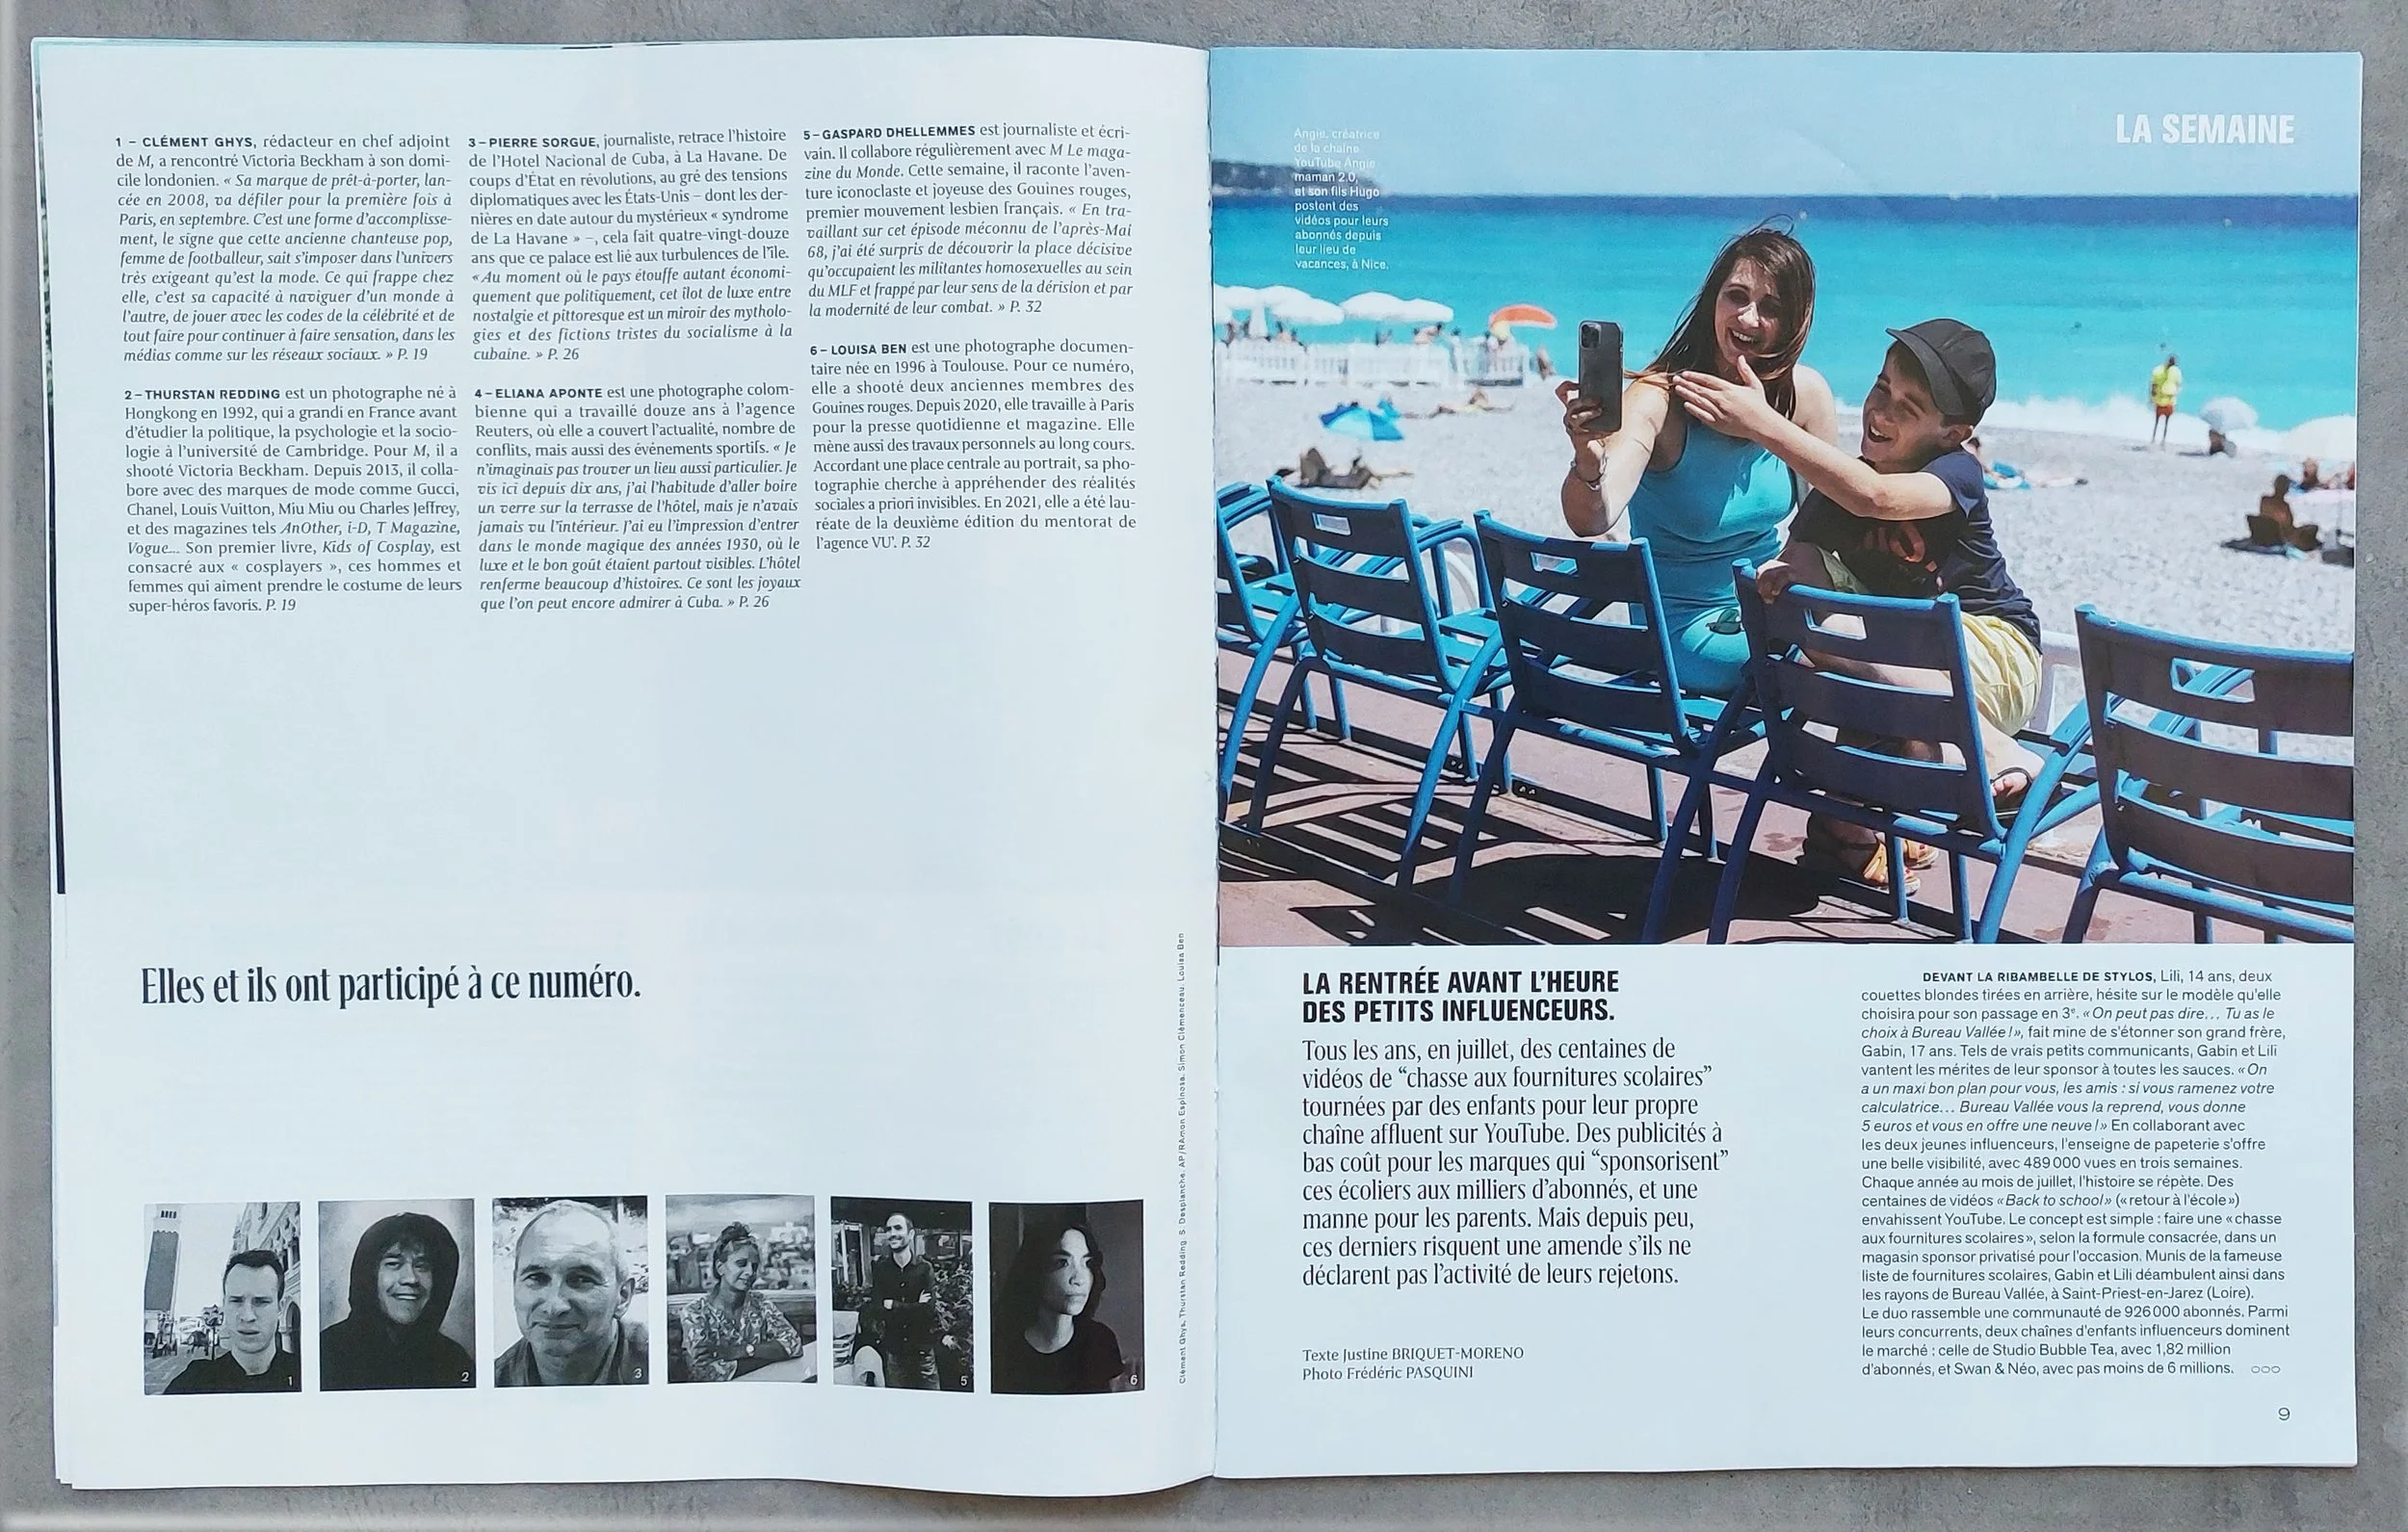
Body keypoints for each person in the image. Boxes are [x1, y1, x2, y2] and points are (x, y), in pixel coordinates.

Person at [1674, 319, 2042, 888]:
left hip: (1994, 653)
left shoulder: (1956, 474)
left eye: (1908, 407)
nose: (1881, 411)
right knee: (1811, 604)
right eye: (1881, 388)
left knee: (1849, 631)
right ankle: (1847, 829)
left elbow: (1876, 497)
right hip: (1901, 666)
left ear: (1953, 433)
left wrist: (1762, 423)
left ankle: (1986, 749)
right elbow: (1800, 565)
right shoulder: (1839, 488)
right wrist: (1783, 576)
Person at [1558, 225, 1839, 694]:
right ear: (1713, 301)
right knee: (1841, 671)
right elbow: (1593, 518)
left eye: (1771, 308)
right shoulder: (1658, 400)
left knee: (1867, 654)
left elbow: (1827, 524)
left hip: (1772, 607)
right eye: (1737, 297)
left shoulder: (1804, 395)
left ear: (1794, 321)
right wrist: (1587, 458)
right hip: (1686, 627)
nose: (1748, 318)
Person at [495, 1200, 648, 1387]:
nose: (554, 1307)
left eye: (581, 1280)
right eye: (536, 1278)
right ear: (514, 1285)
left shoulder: (664, 1365)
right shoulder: (495, 1381)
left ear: (623, 1296)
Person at [321, 1210, 473, 1390]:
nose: (411, 1278)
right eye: (393, 1264)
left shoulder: (453, 1359)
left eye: (421, 1266)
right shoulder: (326, 1353)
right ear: (369, 1276)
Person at [992, 1216, 1128, 1395]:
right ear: (1035, 1270)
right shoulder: (1001, 1346)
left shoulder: (1101, 1340)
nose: (1079, 1279)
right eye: (1062, 1262)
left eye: (1087, 1263)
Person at [679, 1221, 805, 1382]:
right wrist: (769, 1355)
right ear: (720, 1267)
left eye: (754, 1266)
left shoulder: (761, 1303)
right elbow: (704, 1372)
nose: (750, 1272)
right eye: (741, 1264)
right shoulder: (695, 1313)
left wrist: (741, 1351)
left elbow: (794, 1345)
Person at [163, 1250, 299, 1393]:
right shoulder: (192, 1383)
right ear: (225, 1305)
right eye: (236, 1301)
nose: (247, 1316)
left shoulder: (306, 1375)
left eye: (261, 1302)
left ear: (280, 1307)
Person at [862, 1210, 943, 1389]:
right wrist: (915, 1305)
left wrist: (893, 1305)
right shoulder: (881, 1270)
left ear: (911, 1234)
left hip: (922, 1354)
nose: (892, 1233)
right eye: (889, 1229)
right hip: (895, 1355)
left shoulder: (924, 1269)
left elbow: (928, 1311)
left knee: (932, 1402)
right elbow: (876, 1309)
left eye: (898, 1228)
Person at [2247, 474, 2320, 553]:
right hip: (2280, 536)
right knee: (2311, 529)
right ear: (2286, 489)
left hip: (2263, 534)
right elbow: (2288, 528)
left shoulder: (2265, 500)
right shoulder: (2284, 506)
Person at [2149, 352, 2182, 447]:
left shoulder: (2159, 370)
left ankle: (2154, 439)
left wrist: (2152, 397)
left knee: (2157, 421)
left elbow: (2154, 385)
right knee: (2166, 423)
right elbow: (2178, 384)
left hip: (2160, 400)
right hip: (2169, 401)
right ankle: (2162, 440)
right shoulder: (2176, 371)